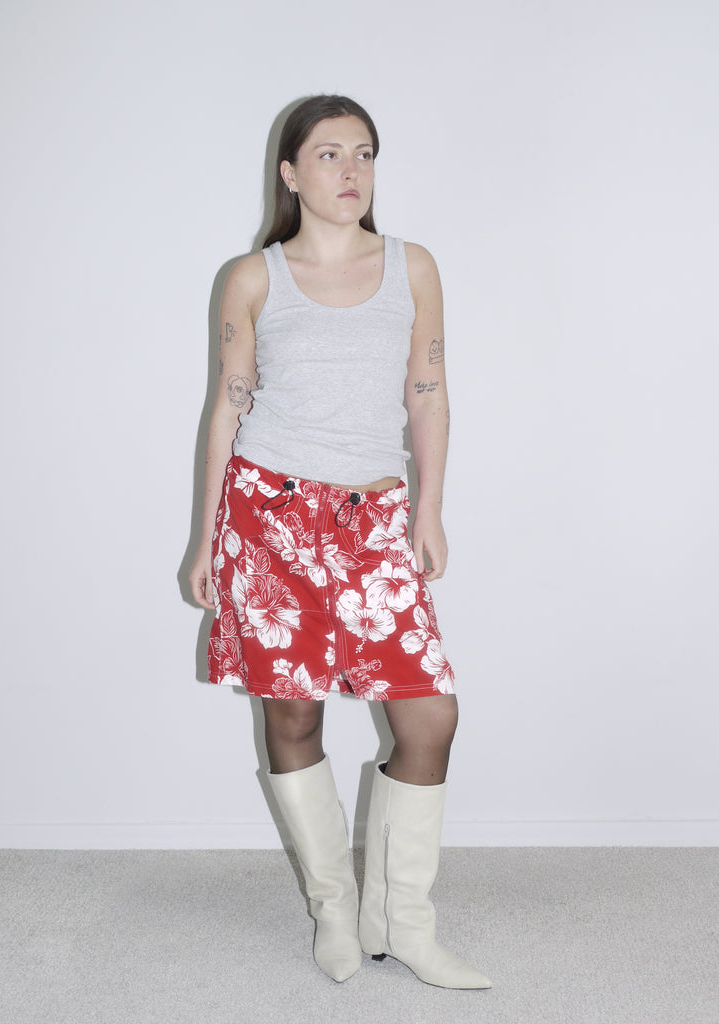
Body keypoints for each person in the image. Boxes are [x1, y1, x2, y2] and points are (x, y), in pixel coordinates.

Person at [189, 95, 490, 990]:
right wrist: (206, 539)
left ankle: (404, 919)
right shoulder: (252, 277)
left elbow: (428, 393)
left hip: (372, 521)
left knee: (428, 714)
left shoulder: (412, 267)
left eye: (364, 153)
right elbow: (228, 408)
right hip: (271, 518)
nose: (350, 171)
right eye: (328, 155)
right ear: (289, 172)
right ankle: (333, 910)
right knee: (293, 712)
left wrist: (428, 510)